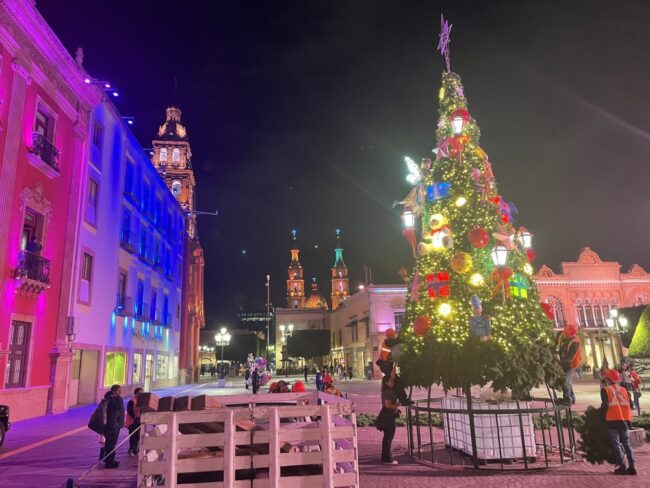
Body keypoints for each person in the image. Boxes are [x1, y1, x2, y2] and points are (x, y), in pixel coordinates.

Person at [601, 369, 636, 475]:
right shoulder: (624, 390)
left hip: (612, 419)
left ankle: (621, 467)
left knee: (616, 444)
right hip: (625, 420)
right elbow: (629, 405)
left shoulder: (606, 390)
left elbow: (605, 406)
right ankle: (632, 466)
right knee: (626, 443)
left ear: (608, 379)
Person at [376, 369, 400, 465]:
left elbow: (393, 376)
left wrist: (394, 364)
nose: (393, 382)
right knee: (388, 437)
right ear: (386, 382)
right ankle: (387, 458)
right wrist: (398, 405)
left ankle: (385, 457)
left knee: (387, 437)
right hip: (388, 415)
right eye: (391, 381)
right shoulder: (389, 391)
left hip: (387, 415)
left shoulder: (386, 389)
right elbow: (387, 405)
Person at [556, 324, 581, 405]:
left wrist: (559, 362)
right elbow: (558, 345)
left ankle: (567, 399)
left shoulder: (575, 342)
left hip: (571, 364)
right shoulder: (564, 337)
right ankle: (571, 398)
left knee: (565, 381)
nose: (565, 336)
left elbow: (570, 357)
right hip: (565, 362)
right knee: (567, 381)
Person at [103, 384, 124, 468]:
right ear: (114, 391)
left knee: (111, 443)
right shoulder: (112, 399)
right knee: (111, 444)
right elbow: (119, 407)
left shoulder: (110, 398)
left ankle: (110, 460)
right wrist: (118, 397)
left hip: (114, 424)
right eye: (119, 390)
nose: (120, 392)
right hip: (112, 425)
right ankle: (109, 462)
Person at [125, 387, 142, 456]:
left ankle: (136, 450)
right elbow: (129, 411)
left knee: (138, 436)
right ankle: (131, 449)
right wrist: (134, 417)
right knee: (133, 436)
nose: (141, 394)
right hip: (132, 421)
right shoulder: (132, 401)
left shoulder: (140, 401)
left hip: (138, 420)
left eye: (142, 393)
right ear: (135, 393)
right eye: (139, 393)